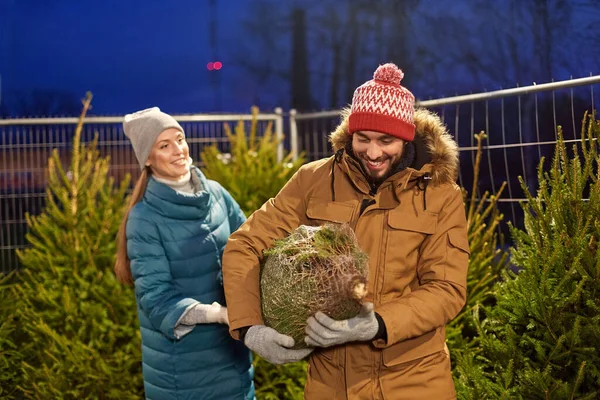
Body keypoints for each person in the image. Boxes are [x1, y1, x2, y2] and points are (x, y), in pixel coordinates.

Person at [222, 63, 469, 399]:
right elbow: (245, 245)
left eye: (386, 140)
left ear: (406, 138)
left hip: (412, 381)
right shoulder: (313, 180)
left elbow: (446, 288)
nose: (373, 152)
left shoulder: (440, 195)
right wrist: (251, 328)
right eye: (363, 138)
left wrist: (378, 323)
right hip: (331, 383)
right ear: (350, 133)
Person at [114, 107, 255, 400]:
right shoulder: (145, 218)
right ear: (148, 159)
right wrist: (219, 314)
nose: (178, 150)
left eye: (179, 139)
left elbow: (251, 245)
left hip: (233, 355)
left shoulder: (216, 193)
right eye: (164, 146)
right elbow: (157, 299)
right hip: (183, 371)